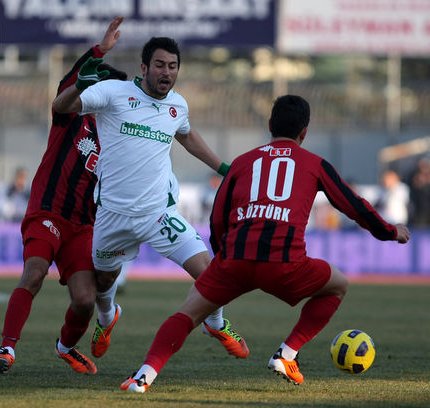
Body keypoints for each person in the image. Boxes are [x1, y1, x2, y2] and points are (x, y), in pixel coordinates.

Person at [120, 95, 410, 392]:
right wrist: (389, 231)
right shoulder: (315, 164)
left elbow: (218, 218)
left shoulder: (243, 162)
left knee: (188, 314)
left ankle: (144, 376)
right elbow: (352, 205)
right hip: (285, 264)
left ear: (270, 125)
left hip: (235, 261)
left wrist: (222, 261)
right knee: (338, 285)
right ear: (304, 132)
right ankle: (287, 353)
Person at [52, 16, 248, 360]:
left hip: (159, 214)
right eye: (160, 64)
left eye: (173, 66)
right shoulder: (114, 93)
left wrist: (223, 168)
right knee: (103, 282)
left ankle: (215, 322)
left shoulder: (178, 105)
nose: (167, 72)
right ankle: (108, 316)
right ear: (144, 67)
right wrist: (80, 86)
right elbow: (60, 108)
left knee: (212, 273)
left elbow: (186, 134)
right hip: (113, 214)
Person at [0, 24, 128, 375]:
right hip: (48, 211)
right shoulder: (71, 115)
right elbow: (66, 87)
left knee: (84, 300)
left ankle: (65, 347)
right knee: (34, 274)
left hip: (83, 225)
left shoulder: (116, 137)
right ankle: (7, 350)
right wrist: (98, 50)